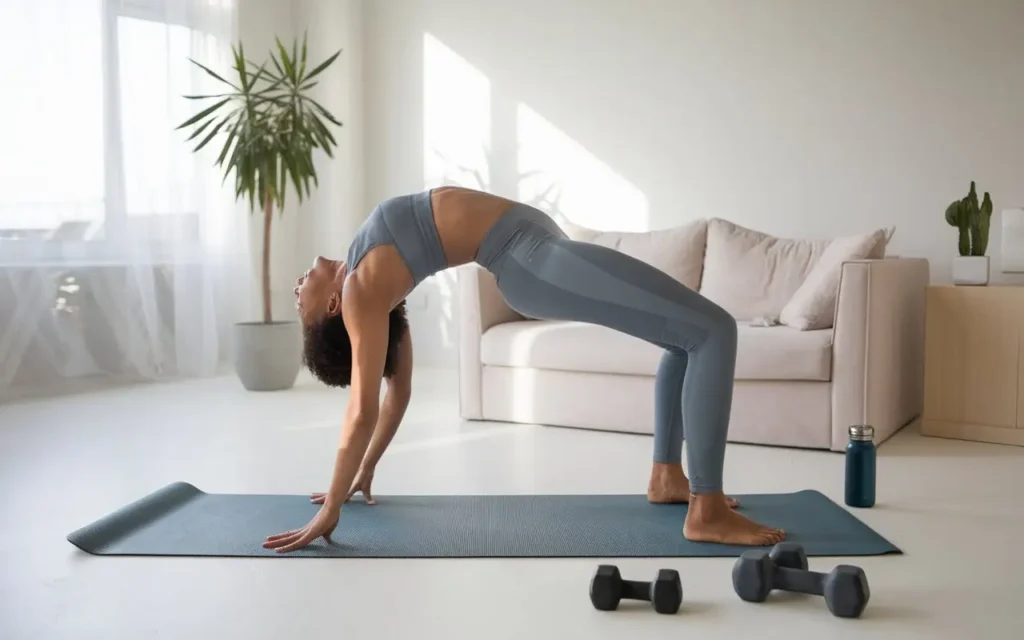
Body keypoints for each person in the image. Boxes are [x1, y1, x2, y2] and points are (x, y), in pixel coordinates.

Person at [263, 186, 786, 554]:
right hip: (531, 259)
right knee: (715, 330)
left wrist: (366, 470)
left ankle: (668, 477)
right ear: (331, 306)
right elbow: (364, 408)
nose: (295, 289)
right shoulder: (359, 292)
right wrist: (331, 504)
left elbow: (399, 390)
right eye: (299, 305)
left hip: (537, 255)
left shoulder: (365, 274)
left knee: (682, 337)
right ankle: (708, 511)